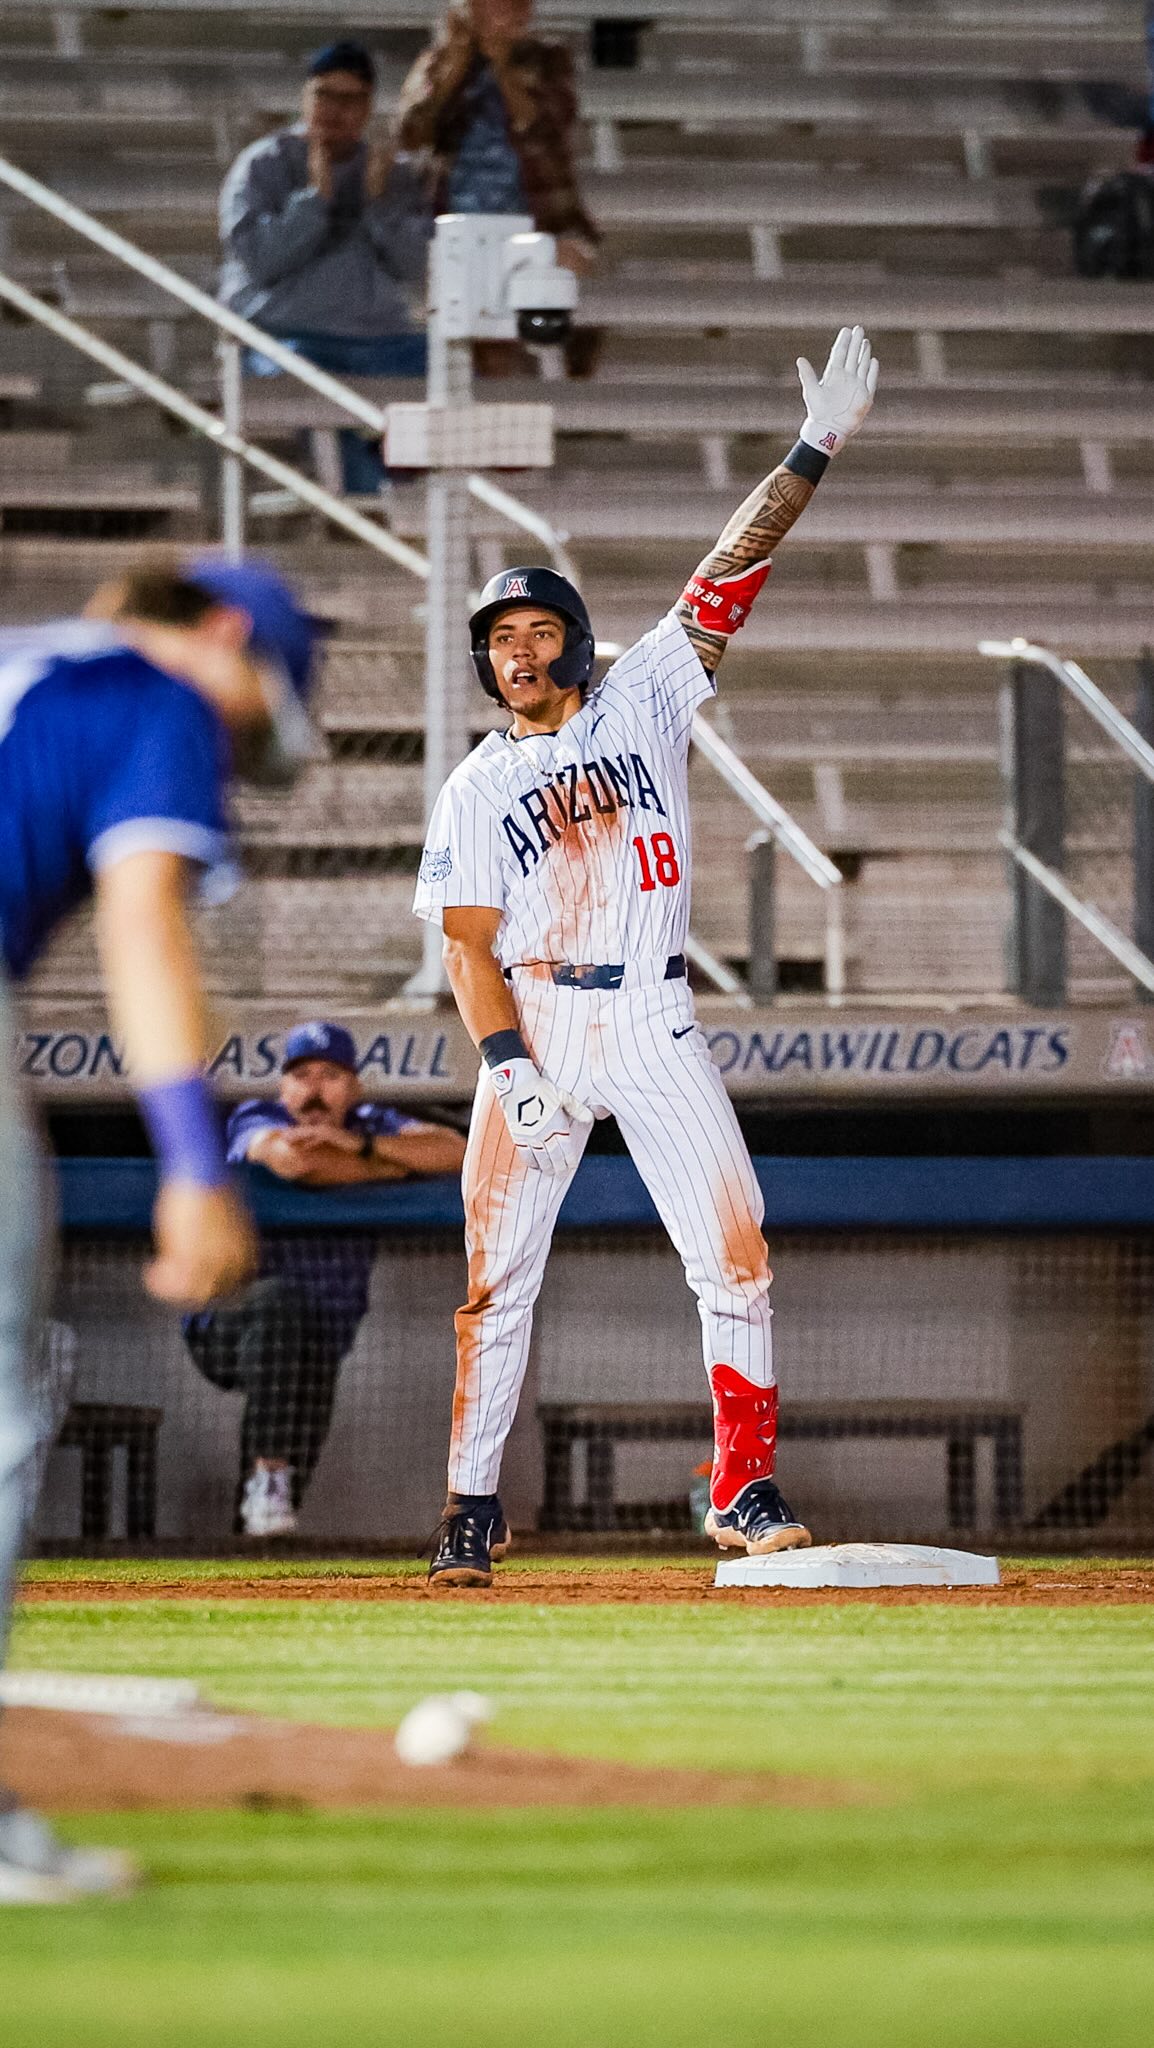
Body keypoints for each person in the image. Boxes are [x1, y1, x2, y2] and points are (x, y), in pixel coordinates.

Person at [413, 325, 879, 1588]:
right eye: (497, 635)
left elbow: (734, 564)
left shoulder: (646, 691)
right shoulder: (471, 785)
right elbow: (466, 947)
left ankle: (741, 1486)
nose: (515, 648)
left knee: (734, 1250)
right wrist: (506, 1065)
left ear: (569, 633)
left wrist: (812, 447)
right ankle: (468, 1507)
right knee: (492, 1283)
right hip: (541, 1028)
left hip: (656, 1021)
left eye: (532, 627)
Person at [0, 553, 322, 1899]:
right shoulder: (158, 694)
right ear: (229, 636)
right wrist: (196, 1159)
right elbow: (144, 925)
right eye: (253, 724)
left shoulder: (27, 659)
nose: (232, 757)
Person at [184, 1022, 465, 1538]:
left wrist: (357, 1146)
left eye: (330, 1075)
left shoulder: (369, 1122)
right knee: (280, 1303)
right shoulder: (257, 1115)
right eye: (302, 1075)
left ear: (353, 1086)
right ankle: (266, 1481)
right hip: (229, 1327)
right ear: (284, 1086)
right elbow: (296, 1163)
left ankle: (257, 1524)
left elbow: (453, 1153)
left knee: (274, 1513)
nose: (314, 1089)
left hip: (321, 1337)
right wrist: (392, 1166)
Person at [219, 39, 433, 493]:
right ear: (305, 97)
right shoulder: (264, 164)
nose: (335, 110)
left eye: (350, 99)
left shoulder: (389, 172)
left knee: (453, 373)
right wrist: (314, 200)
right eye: (324, 95)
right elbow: (260, 259)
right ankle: (368, 508)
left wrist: (378, 206)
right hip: (288, 338)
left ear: (368, 106)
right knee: (311, 385)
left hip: (379, 339)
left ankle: (413, 491)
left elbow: (418, 266)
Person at [396, 0, 600, 375]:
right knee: (470, 336)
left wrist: (500, 65)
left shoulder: (548, 59)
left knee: (542, 317)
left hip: (535, 217)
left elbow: (545, 123)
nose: (519, 9)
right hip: (456, 221)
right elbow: (411, 132)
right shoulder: (440, 61)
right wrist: (456, 63)